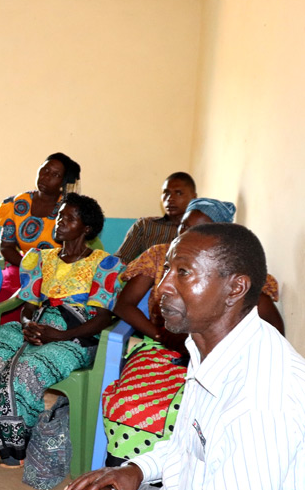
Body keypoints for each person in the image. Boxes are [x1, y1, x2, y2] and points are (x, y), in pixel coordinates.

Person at [9, 224, 305, 490]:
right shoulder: (208, 351)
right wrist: (136, 469)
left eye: (183, 273)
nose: (162, 288)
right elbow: (186, 447)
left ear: (235, 289)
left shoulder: (264, 397)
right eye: (166, 270)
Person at [102, 198, 284, 464]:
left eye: (200, 231)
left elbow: (272, 329)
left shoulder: (236, 270)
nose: (187, 236)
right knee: (130, 405)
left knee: (202, 417)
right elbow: (124, 304)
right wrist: (159, 335)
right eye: (184, 227)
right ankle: (128, 472)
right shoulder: (159, 255)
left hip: (215, 358)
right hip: (162, 348)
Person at [0, 193, 124, 467]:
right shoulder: (40, 258)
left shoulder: (105, 264)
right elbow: (29, 306)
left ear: (87, 228)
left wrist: (58, 335)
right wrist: (27, 326)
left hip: (76, 336)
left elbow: (103, 318)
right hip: (38, 326)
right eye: (60, 216)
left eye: (69, 218)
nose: (60, 222)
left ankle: (14, 444)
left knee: (25, 368)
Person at [0, 153, 82, 307]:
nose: (46, 177)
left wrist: (44, 274)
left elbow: (75, 252)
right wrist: (29, 268)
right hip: (20, 269)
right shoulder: (18, 203)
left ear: (63, 182)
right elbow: (5, 247)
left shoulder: (69, 210)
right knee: (0, 300)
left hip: (57, 274)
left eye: (55, 174)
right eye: (45, 170)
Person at [115, 172, 197, 264]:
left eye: (178, 193)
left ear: (194, 197)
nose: (170, 198)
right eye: (166, 193)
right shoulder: (145, 225)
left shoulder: (199, 229)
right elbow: (121, 261)